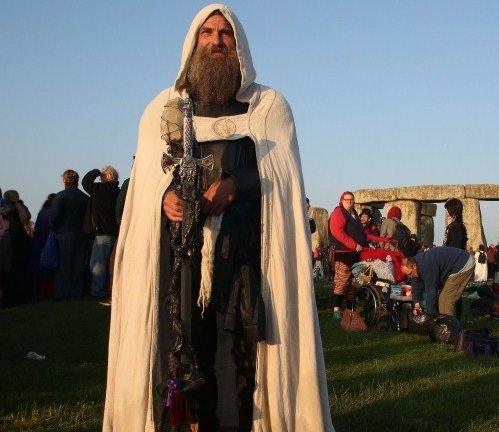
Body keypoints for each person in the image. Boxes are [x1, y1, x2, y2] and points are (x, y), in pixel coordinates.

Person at [102, 6, 334, 431]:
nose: (216, 41)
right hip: (180, 262)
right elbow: (149, 182)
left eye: (225, 33)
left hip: (246, 257)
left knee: (243, 354)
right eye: (207, 33)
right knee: (187, 349)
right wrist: (166, 197)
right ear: (193, 42)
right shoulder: (164, 109)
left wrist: (235, 185)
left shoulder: (267, 106)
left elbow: (280, 176)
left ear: (239, 44)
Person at [401, 246, 475, 317]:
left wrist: (431, 317)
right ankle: (452, 322)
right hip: (455, 264)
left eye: (410, 273)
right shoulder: (415, 264)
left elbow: (431, 293)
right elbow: (415, 286)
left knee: (445, 299)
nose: (410, 277)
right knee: (447, 297)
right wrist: (417, 305)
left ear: (414, 266)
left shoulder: (427, 266)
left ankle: (448, 327)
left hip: (463, 264)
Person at [82, 166, 120, 300]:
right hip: (113, 232)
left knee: (98, 264)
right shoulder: (118, 191)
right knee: (109, 264)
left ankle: (97, 292)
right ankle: (107, 291)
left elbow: (85, 182)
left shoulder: (99, 190)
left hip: (102, 233)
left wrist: (95, 171)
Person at [51, 171, 88, 301]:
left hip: (64, 233)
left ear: (65, 180)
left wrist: (54, 228)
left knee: (64, 264)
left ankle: (62, 293)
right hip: (81, 233)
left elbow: (54, 217)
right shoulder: (84, 197)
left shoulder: (61, 196)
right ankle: (76, 293)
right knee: (78, 264)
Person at [329, 191, 366, 320]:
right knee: (341, 281)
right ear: (342, 200)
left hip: (354, 254)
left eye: (352, 199)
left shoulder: (354, 213)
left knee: (353, 283)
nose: (350, 201)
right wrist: (354, 245)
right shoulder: (338, 212)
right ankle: (336, 310)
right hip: (343, 252)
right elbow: (337, 232)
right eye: (347, 199)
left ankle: (350, 311)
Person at [0, 190, 33, 306]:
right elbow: (28, 218)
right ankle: (23, 296)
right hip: (23, 241)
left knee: (9, 272)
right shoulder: (23, 208)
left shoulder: (6, 210)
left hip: (10, 243)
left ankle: (10, 298)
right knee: (23, 271)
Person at [31, 194, 56, 300]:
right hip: (54, 243)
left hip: (42, 244)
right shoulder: (54, 213)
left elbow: (37, 230)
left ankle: (42, 294)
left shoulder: (42, 213)